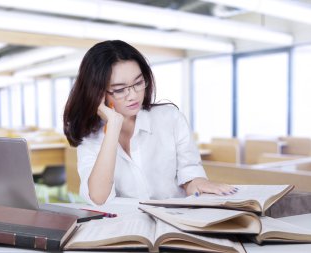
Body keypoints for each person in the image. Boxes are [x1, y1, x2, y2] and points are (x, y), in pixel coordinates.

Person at [64, 40, 237, 205]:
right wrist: (114, 125)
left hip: (174, 224)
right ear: (97, 92)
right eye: (119, 89)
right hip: (126, 228)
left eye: (138, 82)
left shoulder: (170, 118)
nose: (133, 95)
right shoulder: (90, 138)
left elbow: (190, 175)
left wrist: (198, 183)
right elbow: (98, 198)